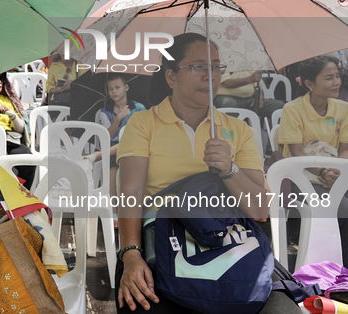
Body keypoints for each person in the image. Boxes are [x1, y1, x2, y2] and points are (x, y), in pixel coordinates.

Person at [115, 33, 298, 313]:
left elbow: (260, 210)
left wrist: (229, 170)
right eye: (199, 66)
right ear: (171, 77)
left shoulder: (239, 130)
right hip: (163, 244)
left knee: (284, 310)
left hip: (232, 245)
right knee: (141, 302)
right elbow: (131, 194)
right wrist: (130, 255)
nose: (210, 75)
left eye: (216, 66)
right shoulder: (142, 123)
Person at [278, 55, 348, 265]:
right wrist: (324, 172)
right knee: (341, 209)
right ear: (309, 84)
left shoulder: (342, 108)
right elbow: (297, 154)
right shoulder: (293, 109)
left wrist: (338, 173)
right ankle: (336, 267)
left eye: (337, 76)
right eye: (328, 78)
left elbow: (345, 149)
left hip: (337, 172)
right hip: (304, 177)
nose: (336, 82)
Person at [92, 73, 146, 226]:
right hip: (113, 149)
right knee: (112, 170)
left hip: (136, 148)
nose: (114, 92)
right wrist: (118, 118)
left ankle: (98, 155)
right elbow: (106, 136)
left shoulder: (139, 107)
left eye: (117, 87)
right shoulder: (105, 111)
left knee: (128, 143)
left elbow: (145, 131)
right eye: (110, 89)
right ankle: (113, 211)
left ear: (126, 87)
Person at [214, 70, 284, 123]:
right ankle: (231, 138)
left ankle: (274, 140)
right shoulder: (223, 64)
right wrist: (250, 79)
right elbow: (227, 83)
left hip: (249, 100)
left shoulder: (248, 66)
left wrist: (259, 99)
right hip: (226, 97)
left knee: (280, 107)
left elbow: (258, 86)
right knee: (229, 104)